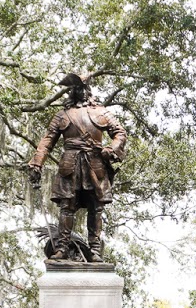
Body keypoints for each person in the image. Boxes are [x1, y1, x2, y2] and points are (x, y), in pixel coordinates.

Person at [25, 73, 127, 261]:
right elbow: (47, 141)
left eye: (82, 87)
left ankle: (94, 250)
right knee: (67, 206)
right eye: (75, 88)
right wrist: (36, 163)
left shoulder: (101, 112)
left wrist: (110, 150)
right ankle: (62, 248)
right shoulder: (62, 115)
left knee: (95, 208)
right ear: (71, 91)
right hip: (70, 164)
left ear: (88, 90)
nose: (79, 91)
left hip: (95, 164)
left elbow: (120, 133)